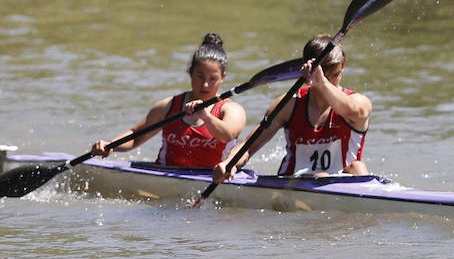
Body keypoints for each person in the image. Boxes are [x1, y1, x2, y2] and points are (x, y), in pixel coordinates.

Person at [213, 34, 372, 180]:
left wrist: (322, 82)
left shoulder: (359, 103)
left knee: (358, 168)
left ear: (342, 68)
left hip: (342, 185)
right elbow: (248, 147)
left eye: (335, 75)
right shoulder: (289, 105)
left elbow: (352, 111)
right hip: (293, 184)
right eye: (323, 76)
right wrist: (229, 163)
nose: (329, 82)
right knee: (321, 176)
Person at [91, 33, 247, 169]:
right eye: (200, 76)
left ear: (223, 78)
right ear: (191, 72)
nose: (205, 85)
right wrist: (110, 146)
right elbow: (136, 136)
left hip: (211, 177)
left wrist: (206, 116)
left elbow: (227, 136)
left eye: (213, 79)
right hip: (165, 173)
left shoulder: (232, 111)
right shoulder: (167, 107)